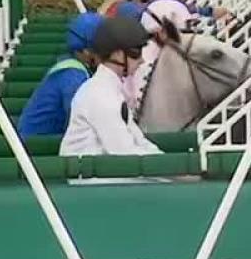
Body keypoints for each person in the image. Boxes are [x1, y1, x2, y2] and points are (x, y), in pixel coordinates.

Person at [59, 18, 163, 156]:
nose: (142, 60)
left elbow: (138, 140)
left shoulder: (110, 89)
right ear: (117, 54)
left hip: (102, 167)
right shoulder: (100, 94)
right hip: (86, 169)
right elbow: (124, 152)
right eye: (136, 52)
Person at [17, 12, 104, 139]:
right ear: (86, 51)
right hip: (34, 145)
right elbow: (79, 123)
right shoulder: (73, 77)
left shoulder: (72, 66)